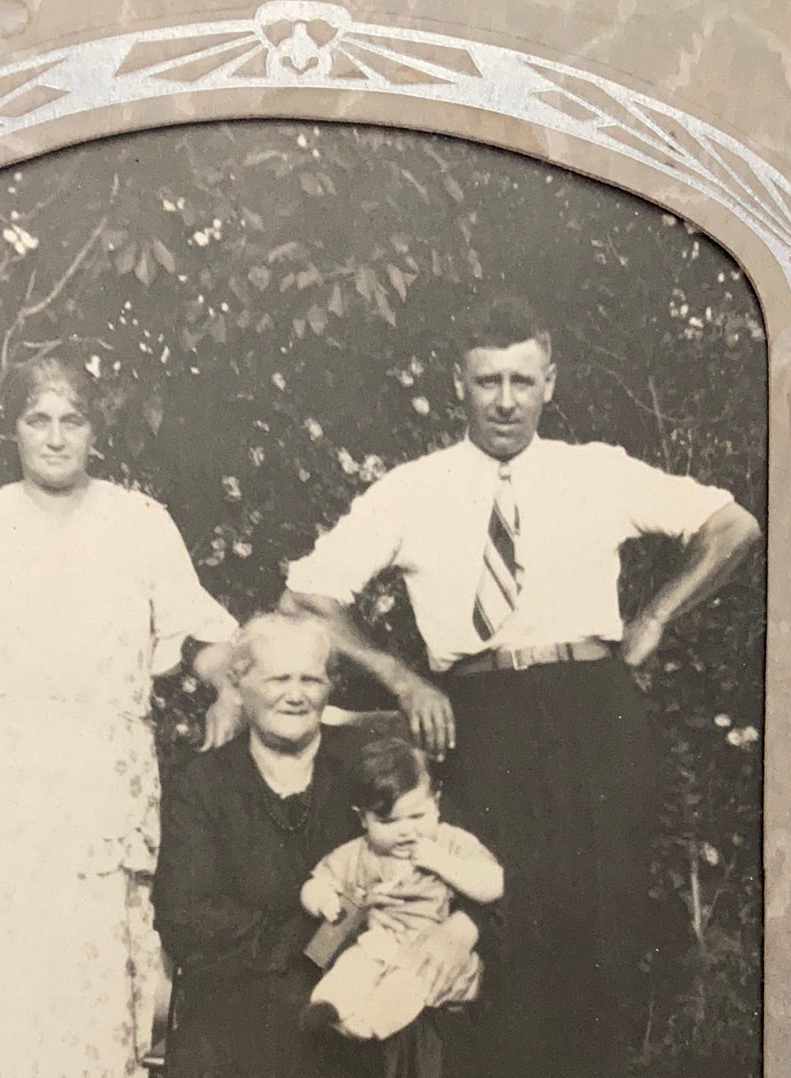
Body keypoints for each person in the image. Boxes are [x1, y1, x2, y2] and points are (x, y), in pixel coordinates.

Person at [278, 296, 762, 1077]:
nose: (505, 400)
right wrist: (402, 679)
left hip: (593, 708)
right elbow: (307, 596)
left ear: (550, 382)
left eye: (522, 380)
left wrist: (656, 618)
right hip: (477, 716)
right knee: (494, 929)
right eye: (487, 380)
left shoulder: (595, 470)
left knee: (600, 930)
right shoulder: (412, 488)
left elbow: (732, 525)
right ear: (458, 384)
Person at [0, 352, 238, 1078]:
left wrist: (229, 688)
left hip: (99, 795)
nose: (54, 437)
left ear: (93, 430)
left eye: (71, 421)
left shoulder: (141, 523)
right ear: (14, 430)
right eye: (37, 420)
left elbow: (207, 636)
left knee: (87, 991)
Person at [152, 613, 481, 1078]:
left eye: (311, 679)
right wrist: (325, 940)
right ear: (240, 681)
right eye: (278, 678)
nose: (296, 694)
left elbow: (463, 854)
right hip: (243, 1014)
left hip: (372, 1004)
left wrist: (456, 933)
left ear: (329, 687)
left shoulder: (371, 762)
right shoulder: (203, 783)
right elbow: (185, 918)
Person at [300, 736, 503, 1041]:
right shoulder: (360, 852)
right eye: (387, 821)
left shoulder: (450, 842)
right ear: (363, 818)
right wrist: (322, 900)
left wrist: (444, 864)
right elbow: (316, 882)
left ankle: (365, 1028)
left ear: (436, 803)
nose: (406, 830)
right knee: (353, 964)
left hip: (429, 952)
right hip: (379, 943)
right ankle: (327, 1007)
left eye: (417, 816)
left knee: (407, 986)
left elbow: (493, 884)